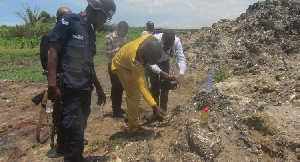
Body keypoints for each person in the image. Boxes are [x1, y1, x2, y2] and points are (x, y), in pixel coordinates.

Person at [47, 0, 116, 161]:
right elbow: (53, 50)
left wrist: (98, 87)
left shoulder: (90, 32)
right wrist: (52, 84)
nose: (105, 21)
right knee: (75, 129)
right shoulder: (69, 21)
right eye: (105, 16)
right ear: (95, 10)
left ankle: (75, 155)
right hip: (70, 87)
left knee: (80, 126)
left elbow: (89, 64)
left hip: (85, 88)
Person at [111, 34, 167, 136]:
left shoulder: (150, 38)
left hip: (125, 56)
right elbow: (143, 87)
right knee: (134, 95)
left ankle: (129, 117)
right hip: (122, 66)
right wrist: (154, 106)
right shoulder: (135, 61)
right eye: (145, 63)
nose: (145, 65)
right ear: (143, 57)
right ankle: (132, 129)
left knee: (133, 93)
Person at [148, 30, 186, 118]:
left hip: (165, 62)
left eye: (170, 45)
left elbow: (181, 57)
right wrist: (160, 72)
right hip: (153, 61)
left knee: (166, 86)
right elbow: (149, 62)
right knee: (155, 88)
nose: (168, 46)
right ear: (163, 40)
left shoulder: (176, 41)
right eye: (166, 45)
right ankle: (155, 112)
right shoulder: (155, 40)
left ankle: (163, 111)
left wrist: (181, 74)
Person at [105, 21, 129, 118]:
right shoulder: (109, 37)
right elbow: (108, 53)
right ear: (118, 29)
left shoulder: (123, 37)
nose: (124, 35)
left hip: (122, 65)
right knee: (115, 87)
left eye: (125, 33)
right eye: (123, 33)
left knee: (121, 86)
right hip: (113, 64)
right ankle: (115, 110)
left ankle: (118, 108)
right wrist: (119, 48)